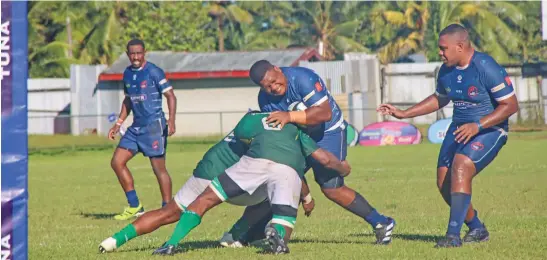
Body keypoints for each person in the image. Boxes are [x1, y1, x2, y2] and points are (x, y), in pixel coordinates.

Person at [99, 112, 350, 255]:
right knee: (276, 192)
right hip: (230, 173)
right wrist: (307, 197)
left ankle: (115, 241)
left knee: (171, 213)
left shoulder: (252, 121)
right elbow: (293, 164)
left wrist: (306, 197)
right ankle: (243, 235)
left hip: (215, 169)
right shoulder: (287, 130)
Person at [377, 24, 519, 248]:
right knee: (444, 183)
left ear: (460, 46)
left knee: (460, 166)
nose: (440, 53)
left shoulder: (485, 66)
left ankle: (452, 236)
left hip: (490, 129)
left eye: (444, 48)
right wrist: (404, 113)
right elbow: (439, 99)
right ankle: (477, 228)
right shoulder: (446, 70)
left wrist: (478, 125)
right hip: (459, 128)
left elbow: (510, 105)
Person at [226, 60, 395, 245]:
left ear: (277, 68)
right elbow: (282, 133)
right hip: (299, 135)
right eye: (267, 87)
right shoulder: (265, 100)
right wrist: (304, 194)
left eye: (274, 81)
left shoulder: (303, 78)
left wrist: (289, 116)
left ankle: (381, 222)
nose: (274, 88)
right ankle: (248, 234)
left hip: (328, 131)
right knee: (277, 180)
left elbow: (324, 113)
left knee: (332, 188)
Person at [107, 39, 177, 220]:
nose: (136, 57)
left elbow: (170, 95)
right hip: (135, 128)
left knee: (158, 169)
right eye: (132, 53)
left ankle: (167, 208)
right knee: (117, 162)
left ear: (144, 52)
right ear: (127, 53)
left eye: (139, 53)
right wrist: (118, 123)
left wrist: (172, 120)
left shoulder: (153, 71)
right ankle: (135, 206)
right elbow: (128, 100)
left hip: (154, 126)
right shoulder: (128, 74)